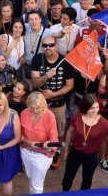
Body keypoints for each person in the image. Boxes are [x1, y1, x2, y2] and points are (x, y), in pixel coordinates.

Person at [31, 35, 75, 168]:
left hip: (58, 103)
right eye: (45, 45)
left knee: (59, 130)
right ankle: (42, 150)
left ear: (56, 45)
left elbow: (70, 85)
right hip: (40, 104)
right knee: (40, 129)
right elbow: (34, 82)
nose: (48, 48)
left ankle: (57, 152)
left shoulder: (65, 61)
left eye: (51, 45)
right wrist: (46, 76)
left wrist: (53, 94)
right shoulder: (37, 59)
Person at [62, 93, 108, 191]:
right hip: (75, 152)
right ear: (85, 107)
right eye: (92, 108)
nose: (95, 110)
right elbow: (70, 132)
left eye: (97, 107)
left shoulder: (104, 123)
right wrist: (66, 150)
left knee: (87, 180)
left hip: (91, 155)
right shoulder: (77, 117)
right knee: (67, 179)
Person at [20, 92, 59, 194]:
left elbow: (54, 138)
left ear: (44, 105)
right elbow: (19, 134)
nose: (35, 111)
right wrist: (28, 142)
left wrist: (49, 144)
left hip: (42, 154)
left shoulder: (50, 116)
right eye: (32, 108)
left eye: (39, 108)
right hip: (26, 150)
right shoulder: (24, 113)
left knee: (37, 183)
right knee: (30, 177)